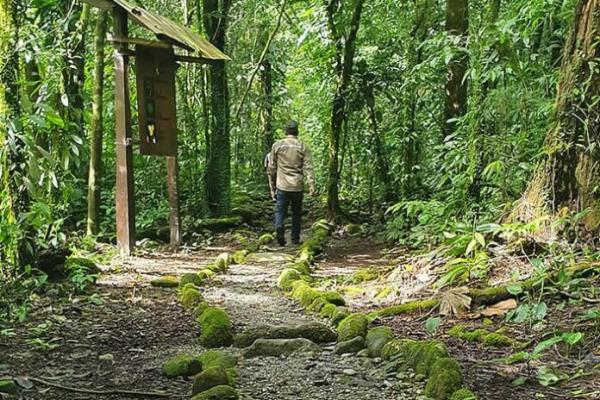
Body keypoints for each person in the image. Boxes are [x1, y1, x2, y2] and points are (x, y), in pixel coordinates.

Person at [268, 120, 316, 246]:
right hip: (297, 186)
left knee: (280, 210)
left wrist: (272, 186)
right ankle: (294, 238)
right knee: (296, 213)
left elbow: (272, 167)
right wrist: (311, 185)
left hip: (282, 185)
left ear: (285, 131)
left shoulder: (277, 145)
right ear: (297, 131)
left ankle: (279, 229)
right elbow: (308, 167)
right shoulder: (303, 146)